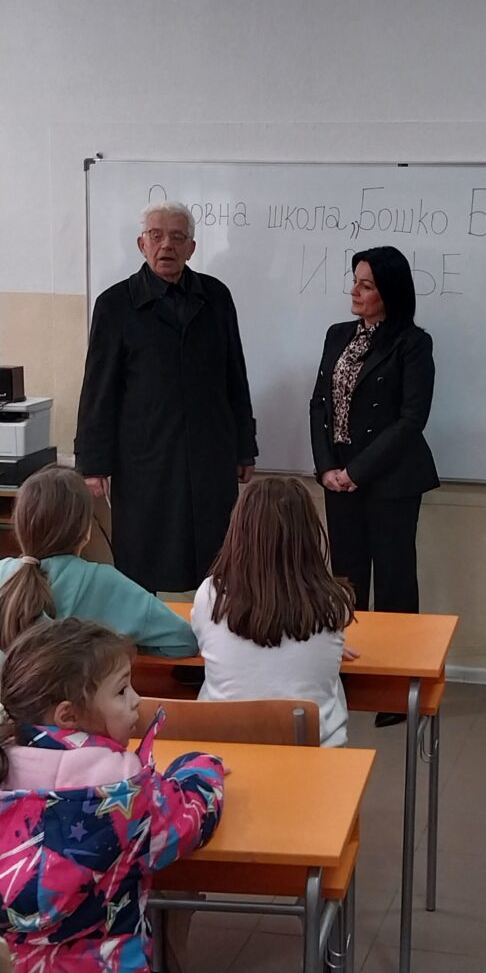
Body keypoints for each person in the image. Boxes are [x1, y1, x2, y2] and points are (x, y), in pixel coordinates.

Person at [0, 618, 225, 971]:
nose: (136, 699)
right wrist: (202, 766)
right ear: (69, 715)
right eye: (121, 691)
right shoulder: (123, 789)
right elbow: (191, 818)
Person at [74, 200, 257, 593]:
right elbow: (99, 390)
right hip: (145, 461)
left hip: (211, 456)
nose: (166, 245)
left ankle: (215, 631)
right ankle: (144, 632)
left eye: (177, 237)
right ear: (142, 244)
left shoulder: (216, 297)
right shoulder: (115, 304)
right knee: (142, 564)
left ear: (191, 247)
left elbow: (235, 377)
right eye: (156, 236)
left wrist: (245, 447)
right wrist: (93, 463)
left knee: (219, 563)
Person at [310, 246, 439, 726]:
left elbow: (411, 419)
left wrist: (357, 470)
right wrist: (327, 467)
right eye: (355, 281)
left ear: (389, 292)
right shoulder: (337, 335)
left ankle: (396, 688)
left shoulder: (412, 342)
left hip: (390, 478)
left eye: (366, 285)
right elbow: (320, 405)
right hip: (339, 477)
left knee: (394, 580)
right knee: (344, 580)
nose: (355, 291)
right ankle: (345, 677)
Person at [191, 476, 356, 746]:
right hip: (313, 752)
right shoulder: (333, 601)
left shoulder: (210, 594)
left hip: (225, 748)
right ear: (309, 534)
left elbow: (208, 643)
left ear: (239, 529)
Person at [0, 465, 197, 657]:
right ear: (85, 531)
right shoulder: (104, 581)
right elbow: (184, 641)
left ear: (19, 527)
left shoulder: (4, 571)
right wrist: (117, 648)